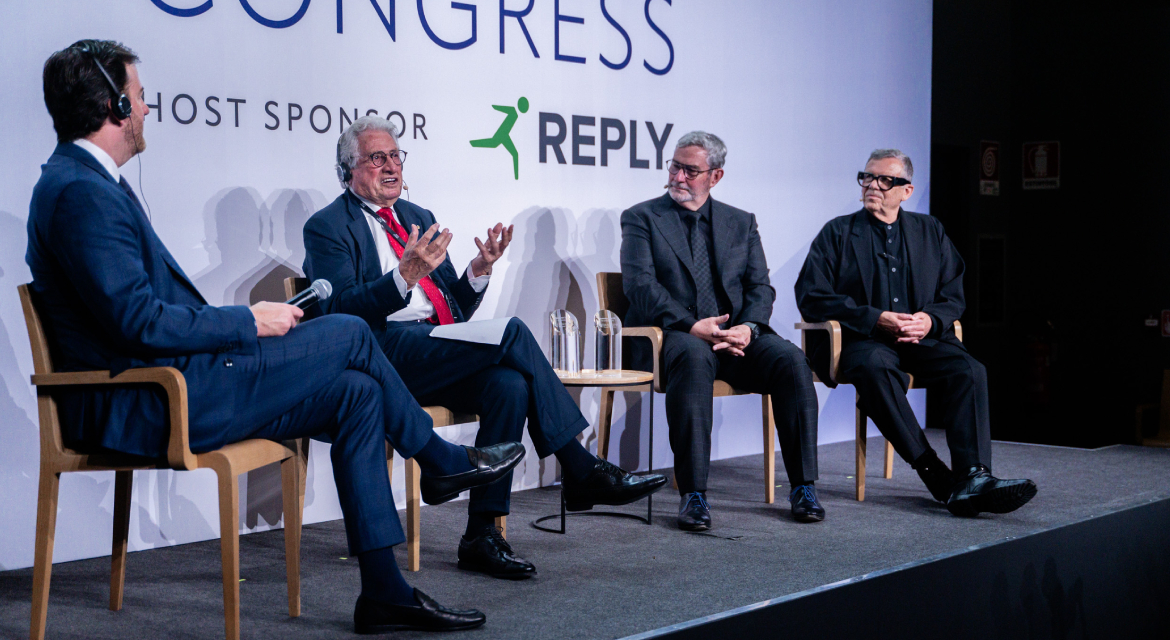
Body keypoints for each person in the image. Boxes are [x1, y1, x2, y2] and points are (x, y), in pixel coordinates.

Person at [27, 40, 527, 634]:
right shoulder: (81, 191)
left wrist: (246, 323)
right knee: (344, 330)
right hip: (157, 398)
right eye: (138, 96)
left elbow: (141, 312)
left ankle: (385, 592)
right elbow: (137, 321)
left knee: (358, 396)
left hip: (185, 379)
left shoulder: (87, 183)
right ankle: (440, 460)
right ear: (113, 105)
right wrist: (248, 321)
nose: (146, 108)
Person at [302, 116, 666, 579]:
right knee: (512, 331)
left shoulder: (418, 218)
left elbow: (452, 311)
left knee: (508, 385)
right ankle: (580, 467)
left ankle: (481, 534)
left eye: (396, 156)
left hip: (429, 349)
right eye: (377, 158)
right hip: (379, 353)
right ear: (349, 169)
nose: (391, 166)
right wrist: (403, 277)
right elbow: (343, 312)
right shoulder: (328, 226)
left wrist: (477, 271)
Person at [795, 148, 1037, 517]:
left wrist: (929, 320)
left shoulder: (930, 230)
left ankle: (973, 475)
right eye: (868, 177)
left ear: (906, 190)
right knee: (876, 369)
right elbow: (811, 296)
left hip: (923, 338)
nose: (873, 186)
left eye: (885, 180)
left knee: (970, 370)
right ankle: (935, 473)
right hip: (864, 340)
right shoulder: (839, 232)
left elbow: (953, 295)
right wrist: (875, 318)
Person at [619, 131, 823, 531]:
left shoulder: (740, 222)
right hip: (675, 335)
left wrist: (747, 327)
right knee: (695, 358)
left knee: (791, 360)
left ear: (716, 176)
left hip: (735, 337)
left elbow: (760, 287)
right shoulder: (642, 217)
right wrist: (693, 326)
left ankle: (803, 487)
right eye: (674, 166)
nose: (678, 176)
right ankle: (693, 494)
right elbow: (640, 287)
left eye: (690, 170)